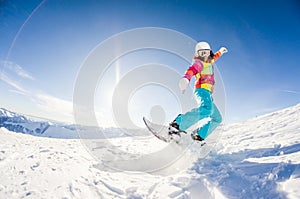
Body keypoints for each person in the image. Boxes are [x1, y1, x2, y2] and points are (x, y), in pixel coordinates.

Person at [169, 41, 228, 142]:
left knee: (217, 118)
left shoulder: (210, 61)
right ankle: (177, 125)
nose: (205, 56)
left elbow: (215, 57)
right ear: (198, 54)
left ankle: (198, 135)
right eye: (202, 53)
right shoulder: (199, 63)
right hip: (201, 90)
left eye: (206, 53)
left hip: (208, 94)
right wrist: (186, 78)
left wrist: (220, 52)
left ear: (210, 53)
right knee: (206, 109)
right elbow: (192, 70)